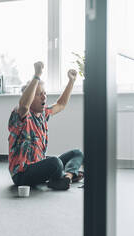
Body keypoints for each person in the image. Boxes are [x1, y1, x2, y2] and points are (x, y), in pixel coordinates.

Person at [8, 61, 84, 190]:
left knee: (77, 153)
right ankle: (64, 176)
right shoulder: (20, 115)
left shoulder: (43, 114)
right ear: (30, 97)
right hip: (22, 174)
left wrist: (71, 82)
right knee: (55, 162)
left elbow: (61, 105)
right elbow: (24, 105)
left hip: (39, 166)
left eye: (44, 93)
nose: (44, 97)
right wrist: (37, 74)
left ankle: (66, 178)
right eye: (39, 94)